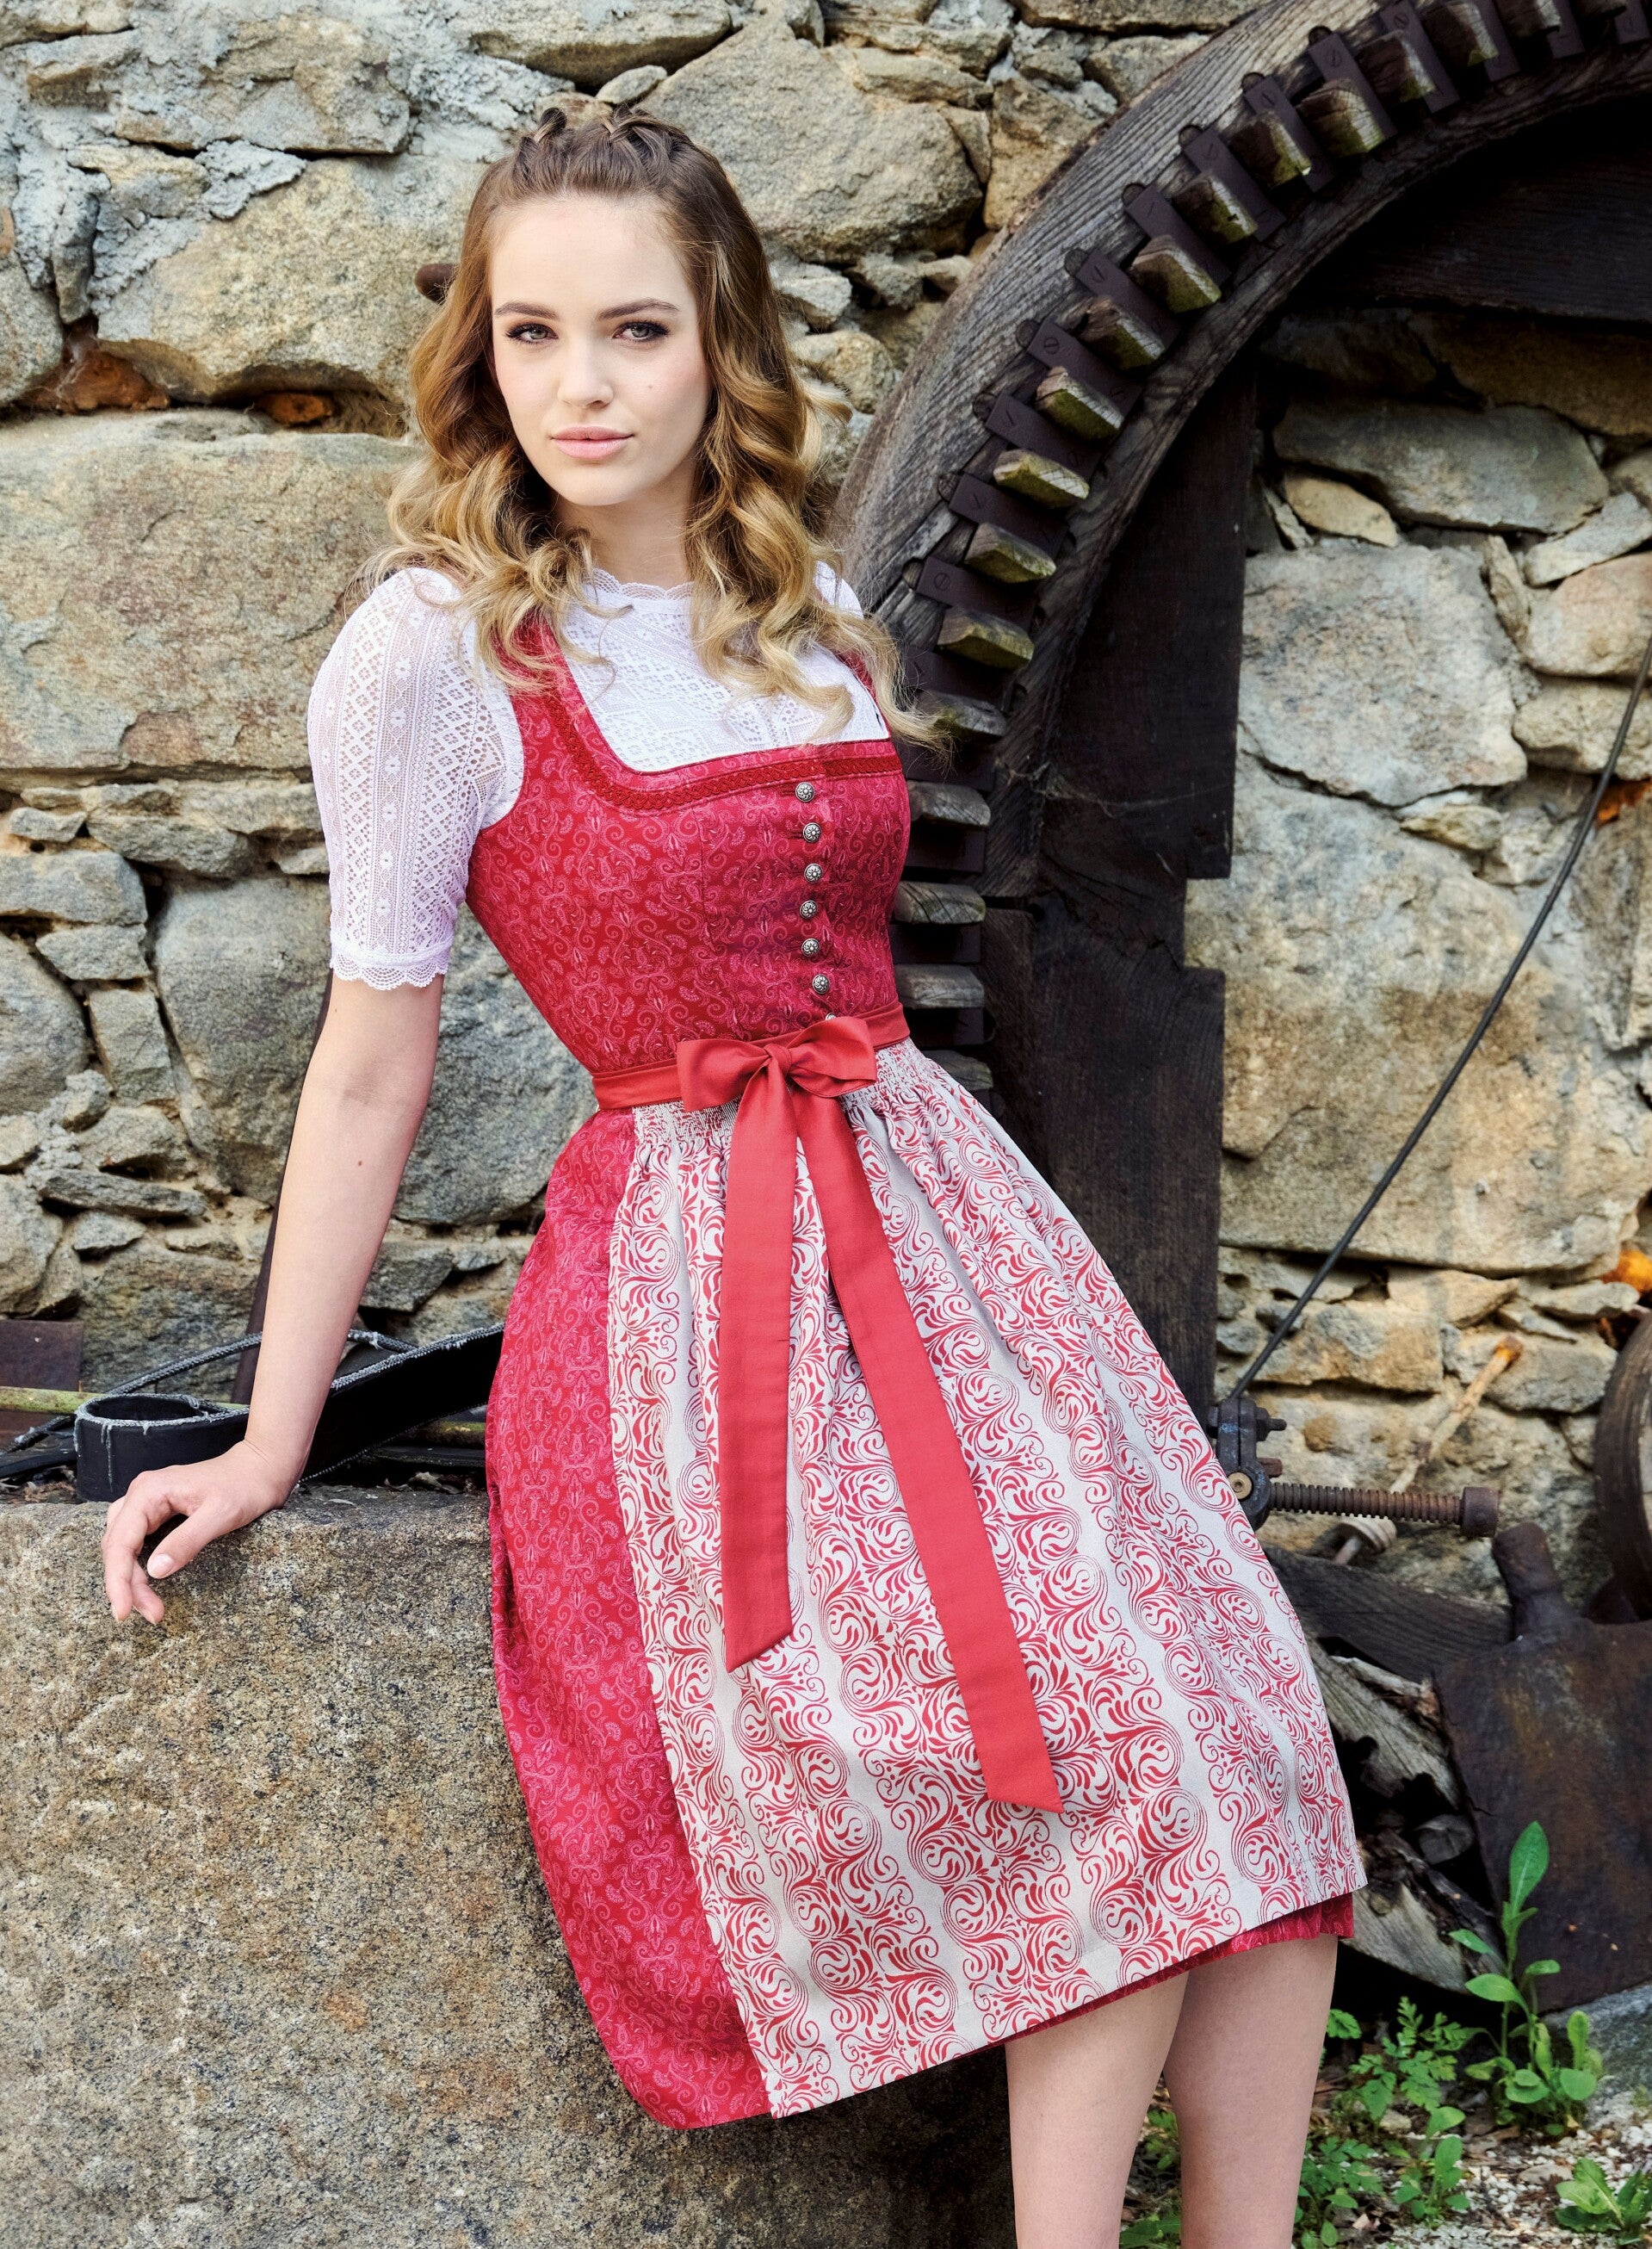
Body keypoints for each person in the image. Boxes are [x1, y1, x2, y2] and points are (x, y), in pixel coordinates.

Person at [101, 108, 1363, 2246]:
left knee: (1246, 1712)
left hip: (941, 1229)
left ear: (721, 347)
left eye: (634, 330)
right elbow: (371, 1062)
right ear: (479, 357)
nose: (580, 384)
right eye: (530, 333)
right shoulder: (432, 653)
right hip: (694, 1297)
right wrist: (270, 1434)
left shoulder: (811, 609)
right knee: (1112, 1761)